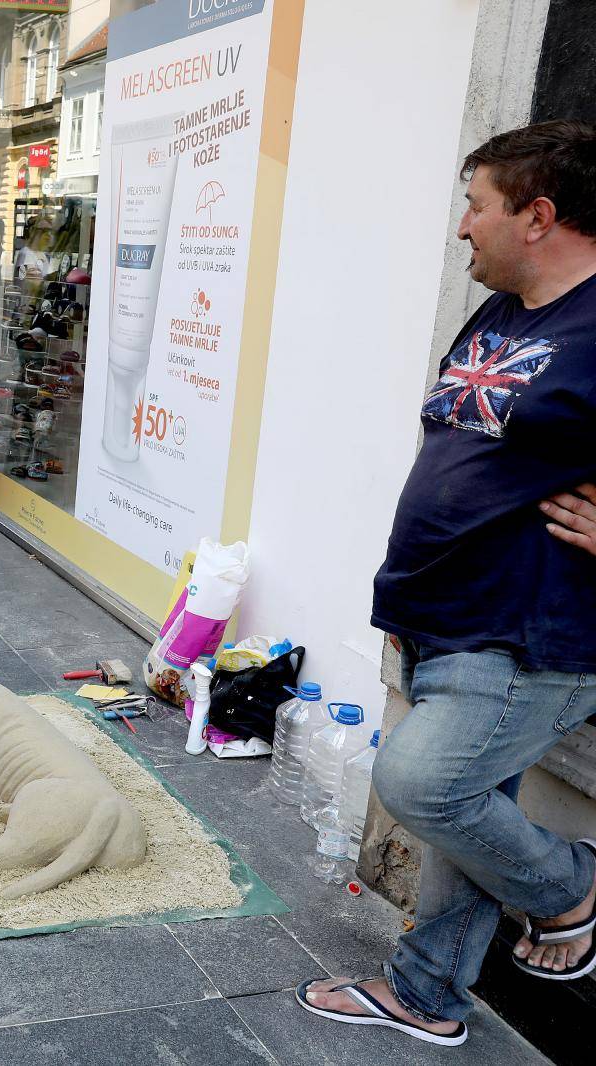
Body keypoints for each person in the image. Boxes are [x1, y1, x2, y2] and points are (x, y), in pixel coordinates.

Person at [298, 120, 596, 1047]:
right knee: (471, 812)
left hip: (524, 634)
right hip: (443, 617)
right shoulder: (504, 312)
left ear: (537, 215)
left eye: (477, 206)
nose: (462, 227)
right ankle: (427, 996)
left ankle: (572, 888)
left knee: (423, 785)